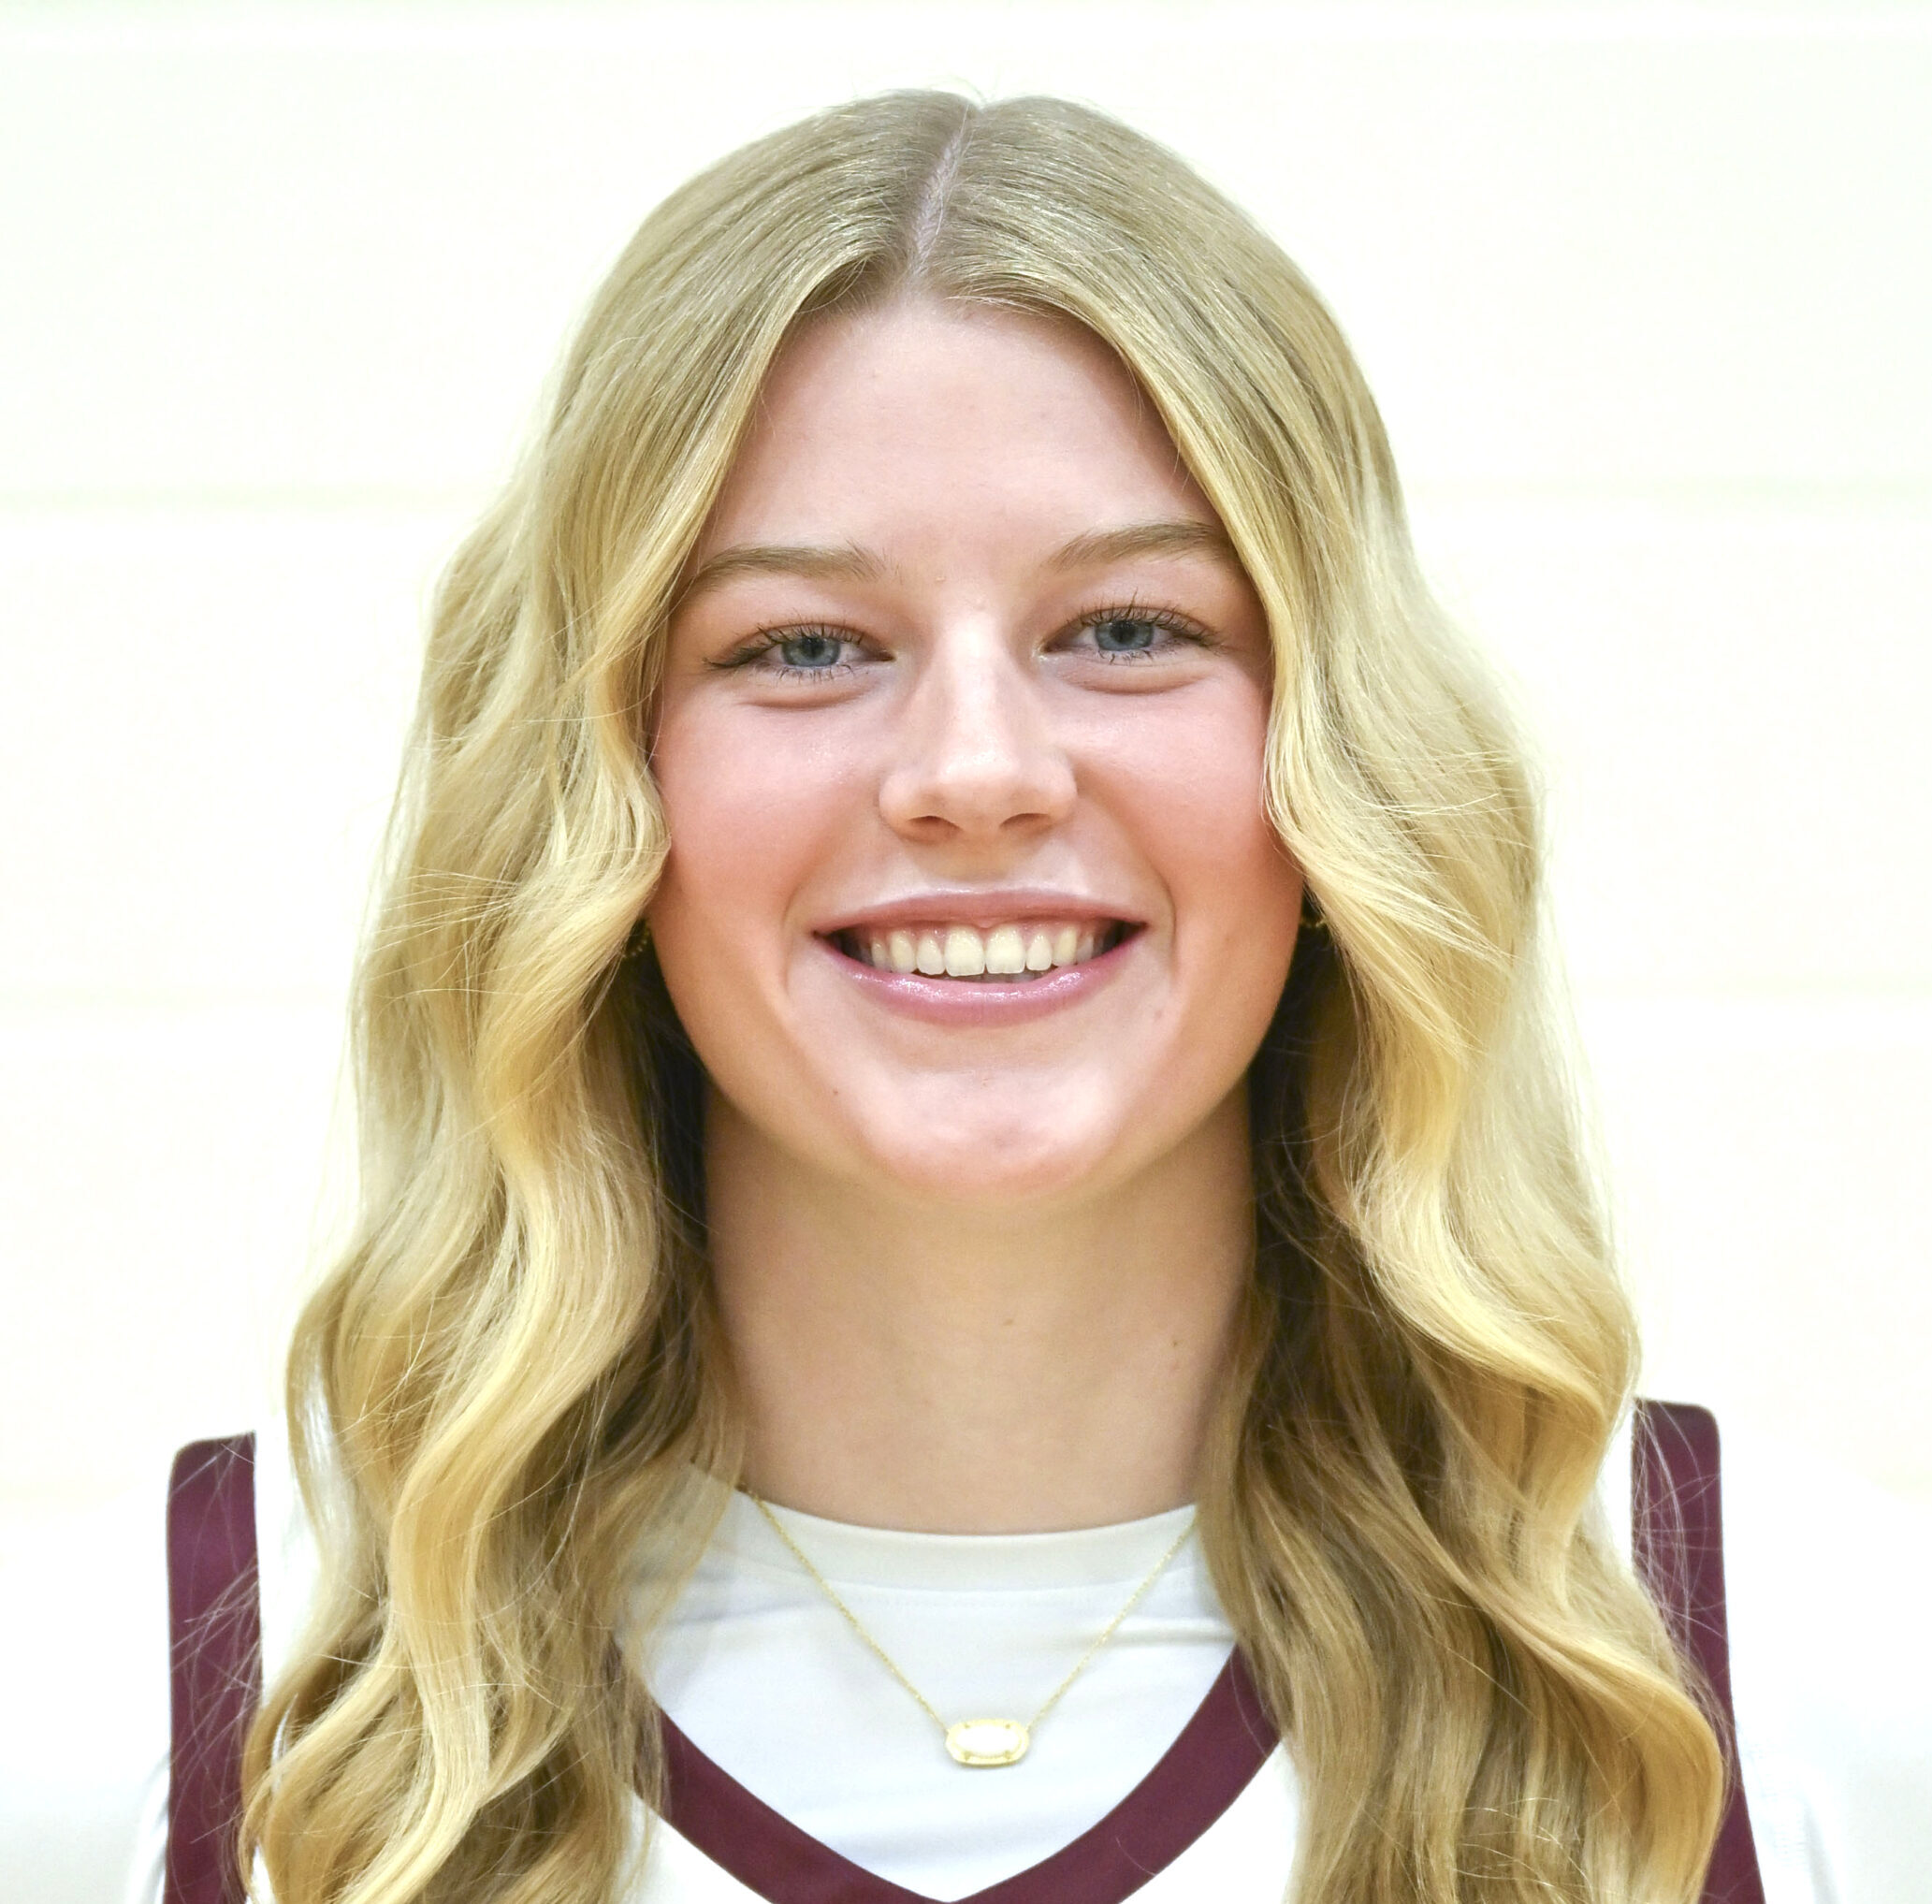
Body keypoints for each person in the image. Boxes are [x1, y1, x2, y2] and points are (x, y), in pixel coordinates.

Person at [132, 90, 1928, 1904]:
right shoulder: (209, 1688)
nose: (975, 770)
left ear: (1339, 756)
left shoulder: (1794, 1673)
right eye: (802, 646)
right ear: (601, 780)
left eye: (1129, 630)